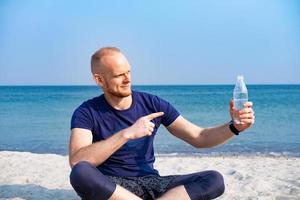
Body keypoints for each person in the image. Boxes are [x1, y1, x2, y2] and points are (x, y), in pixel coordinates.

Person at [69, 47, 255, 200]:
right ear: (99, 80)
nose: (128, 79)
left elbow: (199, 137)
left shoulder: (153, 104)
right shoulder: (87, 112)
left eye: (129, 72)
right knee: (80, 173)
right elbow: (77, 160)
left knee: (214, 179)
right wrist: (126, 134)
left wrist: (234, 127)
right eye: (119, 75)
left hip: (151, 182)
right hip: (113, 188)